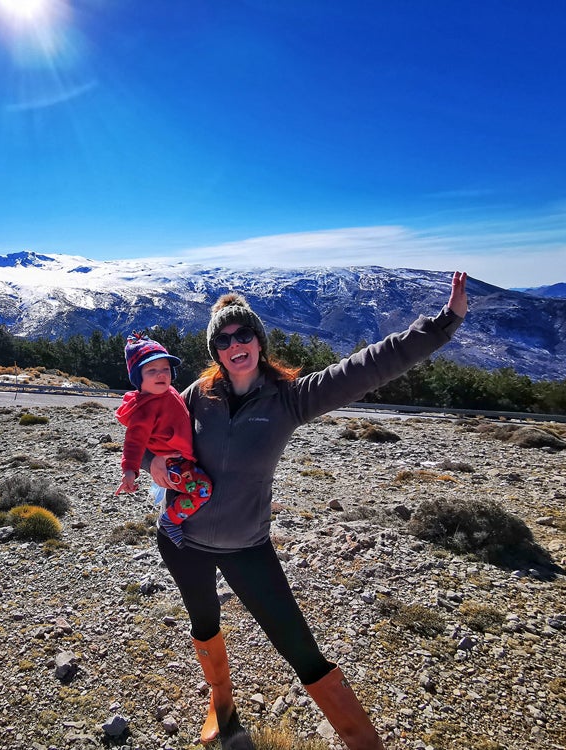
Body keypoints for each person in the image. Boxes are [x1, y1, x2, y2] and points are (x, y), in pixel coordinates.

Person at [146, 272, 468, 749]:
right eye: (225, 339)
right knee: (204, 620)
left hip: (246, 547)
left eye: (245, 334)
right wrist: (156, 467)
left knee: (300, 649)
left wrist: (443, 324)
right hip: (181, 538)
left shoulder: (291, 398)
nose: (237, 344)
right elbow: (158, 441)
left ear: (259, 339)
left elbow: (367, 366)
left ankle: (363, 741)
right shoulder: (197, 396)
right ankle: (221, 703)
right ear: (216, 350)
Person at [115, 333, 213, 547]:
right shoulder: (145, 409)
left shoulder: (167, 392)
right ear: (138, 378)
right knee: (203, 489)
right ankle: (171, 519)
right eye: (152, 371)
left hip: (180, 459)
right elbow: (133, 442)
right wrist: (130, 471)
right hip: (172, 464)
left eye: (165, 369)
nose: (161, 375)